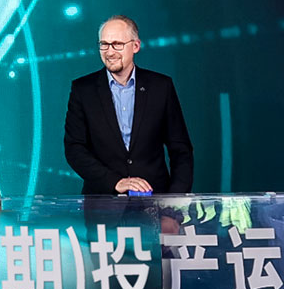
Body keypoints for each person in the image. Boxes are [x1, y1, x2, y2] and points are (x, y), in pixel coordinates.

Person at [63, 15, 194, 196]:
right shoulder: (83, 90)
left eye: (117, 44)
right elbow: (75, 149)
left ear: (136, 46)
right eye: (104, 44)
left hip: (155, 201)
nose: (109, 52)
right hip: (103, 203)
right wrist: (115, 182)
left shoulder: (161, 87)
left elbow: (181, 150)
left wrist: (175, 202)